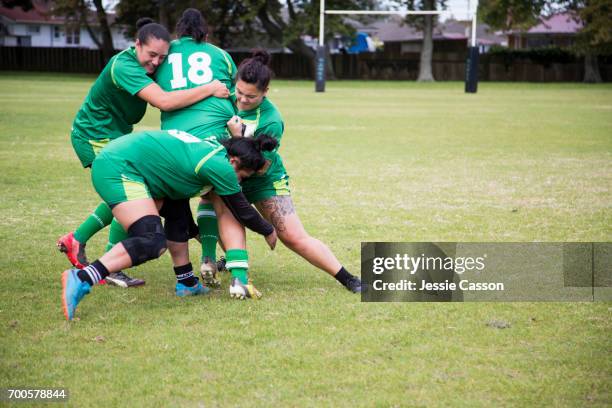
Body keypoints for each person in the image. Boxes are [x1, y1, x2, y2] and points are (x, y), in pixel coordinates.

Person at [56, 17, 229, 288]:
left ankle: (77, 239)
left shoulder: (147, 66)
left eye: (162, 57)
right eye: (151, 55)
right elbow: (164, 101)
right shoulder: (125, 65)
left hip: (116, 136)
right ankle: (100, 257)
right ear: (136, 45)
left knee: (136, 194)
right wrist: (211, 87)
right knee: (131, 193)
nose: (156, 63)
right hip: (95, 136)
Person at [61, 130, 278, 321]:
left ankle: (187, 283)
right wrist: (268, 230)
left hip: (127, 164)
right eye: (242, 176)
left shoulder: (211, 150)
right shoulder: (219, 165)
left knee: (177, 212)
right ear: (234, 162)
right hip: (118, 167)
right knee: (151, 241)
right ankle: (82, 277)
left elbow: (181, 208)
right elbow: (242, 210)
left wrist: (194, 231)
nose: (238, 182)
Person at [223, 50, 362, 293]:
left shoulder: (271, 120)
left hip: (263, 181)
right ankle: (232, 261)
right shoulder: (224, 98)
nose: (243, 100)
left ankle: (349, 279)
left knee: (292, 237)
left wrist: (237, 139)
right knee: (217, 217)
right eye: (240, 92)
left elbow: (262, 166)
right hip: (228, 175)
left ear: (265, 92)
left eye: (251, 97)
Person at [154, 8, 251, 292]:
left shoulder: (165, 54)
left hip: (172, 143)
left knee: (144, 196)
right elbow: (233, 91)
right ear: (205, 34)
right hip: (213, 139)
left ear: (177, 33)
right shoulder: (219, 55)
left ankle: (109, 256)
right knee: (218, 201)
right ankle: (234, 275)